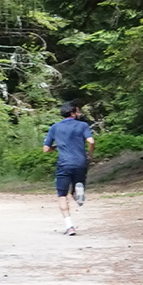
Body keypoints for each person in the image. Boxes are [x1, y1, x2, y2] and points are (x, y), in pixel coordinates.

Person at [44, 101, 94, 235]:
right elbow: (91, 141)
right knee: (77, 186)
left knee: (62, 195)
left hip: (64, 164)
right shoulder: (83, 125)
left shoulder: (55, 127)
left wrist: (56, 146)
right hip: (80, 162)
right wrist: (90, 154)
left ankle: (69, 226)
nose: (79, 114)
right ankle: (78, 193)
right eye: (77, 111)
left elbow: (46, 149)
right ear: (72, 113)